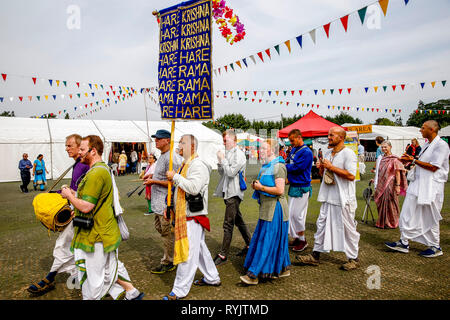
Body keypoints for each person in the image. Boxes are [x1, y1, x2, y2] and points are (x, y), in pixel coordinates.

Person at [61, 135, 144, 300]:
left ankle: (126, 292)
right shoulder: (99, 169)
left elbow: (87, 206)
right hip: (99, 232)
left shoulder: (96, 173)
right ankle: (129, 292)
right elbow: (91, 200)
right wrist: (74, 196)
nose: (80, 154)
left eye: (83, 150)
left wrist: (69, 197)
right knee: (102, 274)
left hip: (96, 235)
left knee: (94, 281)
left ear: (93, 151)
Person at [27, 134, 90, 295]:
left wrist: (71, 195)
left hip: (83, 215)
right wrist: (56, 193)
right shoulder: (77, 164)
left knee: (65, 244)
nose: (66, 148)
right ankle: (77, 276)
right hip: (77, 211)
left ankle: (50, 278)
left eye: (70, 146)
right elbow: (73, 187)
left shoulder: (84, 165)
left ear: (79, 146)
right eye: (66, 146)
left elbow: (85, 193)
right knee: (74, 247)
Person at [163, 134, 221, 300]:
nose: (178, 145)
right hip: (185, 214)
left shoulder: (197, 165)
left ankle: (180, 290)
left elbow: (194, 188)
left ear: (192, 147)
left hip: (192, 215)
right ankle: (212, 277)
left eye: (182, 142)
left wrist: (175, 177)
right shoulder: (185, 164)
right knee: (199, 249)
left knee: (187, 253)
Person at [296, 127, 361, 271]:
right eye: (328, 135)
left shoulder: (348, 153)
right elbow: (325, 175)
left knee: (348, 229)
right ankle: (315, 256)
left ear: (341, 137)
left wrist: (331, 167)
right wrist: (321, 168)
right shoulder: (327, 152)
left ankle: (353, 259)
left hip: (343, 198)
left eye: (332, 135)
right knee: (322, 226)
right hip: (328, 196)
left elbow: (351, 176)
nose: (329, 137)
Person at [386, 121, 449, 258]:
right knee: (406, 213)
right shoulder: (427, 144)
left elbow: (433, 166)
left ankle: (435, 246)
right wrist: (408, 161)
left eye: (423, 128)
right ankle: (403, 242)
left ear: (432, 130)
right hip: (418, 183)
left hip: (431, 187)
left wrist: (413, 160)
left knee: (430, 216)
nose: (420, 130)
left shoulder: (441, 145)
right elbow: (421, 163)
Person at [239, 139, 291, 285]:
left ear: (272, 150)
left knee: (266, 240)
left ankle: (254, 274)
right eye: (260, 148)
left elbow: (279, 190)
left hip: (275, 208)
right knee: (273, 239)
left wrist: (260, 187)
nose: (259, 151)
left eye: (263, 148)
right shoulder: (266, 166)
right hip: (266, 208)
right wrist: (256, 186)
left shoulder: (279, 166)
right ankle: (283, 268)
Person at [144, 129, 182, 274]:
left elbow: (175, 182)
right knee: (162, 230)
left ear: (167, 140)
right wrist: (151, 176)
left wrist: (154, 181)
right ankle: (173, 253)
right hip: (158, 202)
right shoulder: (163, 156)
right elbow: (164, 176)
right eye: (156, 138)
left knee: (166, 232)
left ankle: (168, 261)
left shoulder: (172, 158)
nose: (156, 141)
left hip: (166, 203)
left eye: (159, 139)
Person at [213, 129, 252, 266]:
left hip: (234, 193)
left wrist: (222, 159)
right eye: (223, 140)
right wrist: (220, 162)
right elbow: (221, 172)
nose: (223, 143)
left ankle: (223, 255)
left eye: (226, 140)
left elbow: (230, 173)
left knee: (228, 224)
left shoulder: (239, 154)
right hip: (227, 191)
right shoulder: (229, 153)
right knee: (238, 221)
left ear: (234, 140)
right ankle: (250, 245)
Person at [285, 129, 313, 252]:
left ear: (299, 137)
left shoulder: (306, 152)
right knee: (290, 214)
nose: (291, 143)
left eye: (292, 140)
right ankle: (296, 236)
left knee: (297, 215)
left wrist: (283, 166)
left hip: (302, 186)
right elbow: (289, 161)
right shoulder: (294, 149)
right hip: (294, 185)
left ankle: (303, 240)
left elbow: (298, 167)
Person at [372, 141, 408, 229]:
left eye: (385, 147)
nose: (383, 149)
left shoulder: (395, 159)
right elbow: (379, 171)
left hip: (390, 184)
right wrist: (375, 179)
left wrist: (398, 186)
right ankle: (383, 221)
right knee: (381, 202)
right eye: (382, 147)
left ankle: (392, 222)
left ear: (390, 147)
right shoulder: (381, 158)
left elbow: (398, 173)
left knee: (391, 203)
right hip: (381, 183)